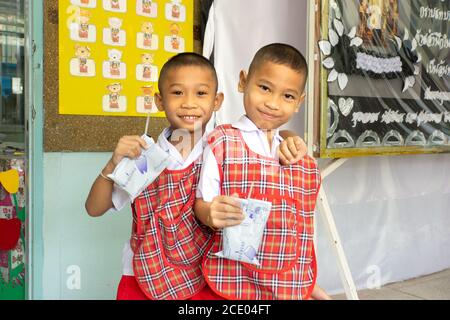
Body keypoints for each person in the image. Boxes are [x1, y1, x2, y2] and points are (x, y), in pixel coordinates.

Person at [85, 52, 308, 300]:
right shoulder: (145, 156)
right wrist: (112, 164)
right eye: (177, 92)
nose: (189, 103)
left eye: (201, 93)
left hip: (209, 279)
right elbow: (94, 208)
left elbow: (264, 138)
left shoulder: (227, 149)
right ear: (160, 101)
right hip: (143, 275)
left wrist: (289, 136)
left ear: (217, 101)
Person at [194, 43, 332, 300]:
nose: (273, 103)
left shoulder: (292, 151)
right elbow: (202, 203)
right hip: (233, 277)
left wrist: (309, 287)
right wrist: (210, 213)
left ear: (299, 102)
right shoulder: (222, 141)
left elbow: (293, 225)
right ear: (243, 81)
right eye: (265, 88)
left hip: (281, 276)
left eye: (287, 96)